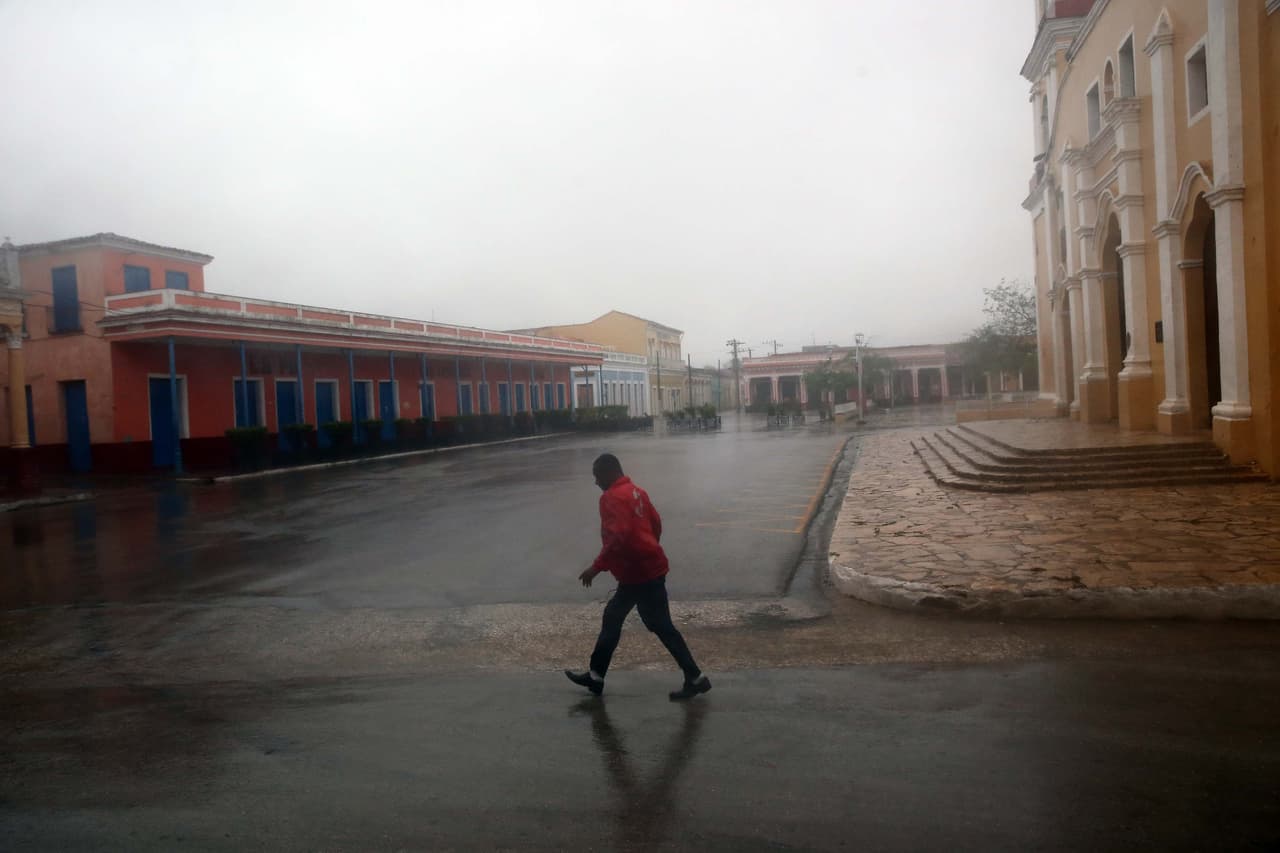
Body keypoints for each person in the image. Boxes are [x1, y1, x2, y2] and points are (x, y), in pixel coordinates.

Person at [565, 453, 712, 701]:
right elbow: (656, 522)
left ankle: (694, 676)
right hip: (649, 568)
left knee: (645, 623)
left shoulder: (610, 498)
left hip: (638, 574)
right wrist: (649, 547)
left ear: (610, 473)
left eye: (597, 477)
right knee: (632, 620)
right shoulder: (637, 491)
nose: (596, 483)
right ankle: (597, 675)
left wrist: (596, 567)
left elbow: (617, 537)